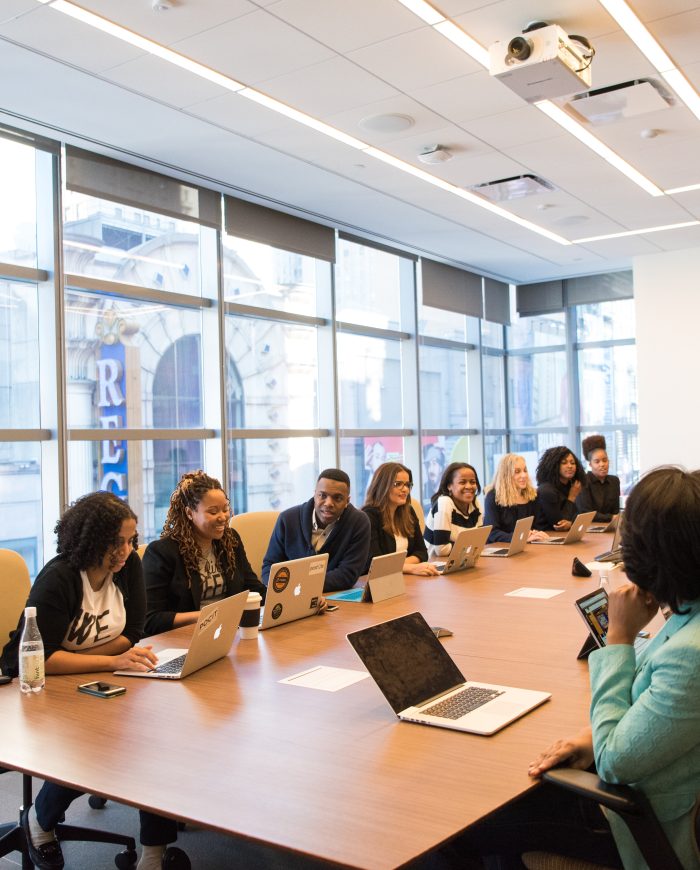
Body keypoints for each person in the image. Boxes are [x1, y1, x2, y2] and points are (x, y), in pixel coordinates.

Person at [442, 466, 700, 869]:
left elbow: (615, 760)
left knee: (459, 829)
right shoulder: (688, 617)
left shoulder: (691, 653)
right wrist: (590, 737)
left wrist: (618, 638)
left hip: (644, 821)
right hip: (648, 784)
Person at [0, 492, 186, 870]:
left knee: (158, 738)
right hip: (37, 687)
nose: (126, 549)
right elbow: (39, 659)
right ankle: (39, 820)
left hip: (97, 673)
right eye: (116, 541)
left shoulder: (128, 566)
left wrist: (104, 661)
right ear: (91, 539)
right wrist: (109, 660)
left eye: (131, 539)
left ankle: (154, 853)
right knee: (92, 745)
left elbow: (132, 632)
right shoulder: (61, 578)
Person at [143, 470, 266, 636]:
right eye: (213, 512)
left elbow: (253, 588)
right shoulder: (162, 553)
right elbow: (151, 620)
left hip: (228, 632)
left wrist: (281, 601)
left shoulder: (230, 540)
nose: (223, 517)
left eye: (225, 509)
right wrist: (207, 616)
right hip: (186, 638)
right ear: (189, 513)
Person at [261, 468, 371, 592]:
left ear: (347, 501)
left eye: (337, 498)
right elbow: (269, 569)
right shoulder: (287, 519)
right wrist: (295, 588)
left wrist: (301, 584)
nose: (328, 503)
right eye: (322, 495)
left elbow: (347, 574)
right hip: (290, 596)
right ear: (314, 495)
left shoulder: (358, 522)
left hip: (333, 597)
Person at [362, 462, 440, 576]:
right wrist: (410, 568)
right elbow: (374, 564)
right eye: (398, 484)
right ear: (382, 485)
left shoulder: (408, 512)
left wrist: (399, 566)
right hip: (377, 583)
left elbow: (422, 552)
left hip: (403, 578)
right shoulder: (368, 517)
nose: (405, 490)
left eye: (407, 484)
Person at [483, 454, 549, 543]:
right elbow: (492, 533)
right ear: (505, 475)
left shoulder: (532, 495)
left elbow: (536, 526)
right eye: (517, 472)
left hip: (526, 547)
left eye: (525, 470)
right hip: (501, 549)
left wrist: (536, 533)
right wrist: (520, 538)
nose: (524, 475)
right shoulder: (493, 497)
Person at [423, 462, 483, 559]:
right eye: (462, 482)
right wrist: (469, 546)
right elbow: (441, 549)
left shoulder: (475, 503)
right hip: (434, 564)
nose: (469, 486)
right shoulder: (444, 503)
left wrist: (468, 547)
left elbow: (479, 541)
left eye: (472, 482)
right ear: (449, 486)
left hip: (461, 560)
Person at [535, 445, 586, 531]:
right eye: (564, 462)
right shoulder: (547, 490)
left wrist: (571, 524)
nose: (570, 466)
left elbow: (577, 516)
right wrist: (572, 498)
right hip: (547, 537)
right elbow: (559, 524)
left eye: (572, 463)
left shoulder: (571, 486)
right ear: (554, 466)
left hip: (563, 536)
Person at [576, 434, 621, 523]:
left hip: (610, 525)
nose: (602, 464)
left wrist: (615, 519)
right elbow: (586, 513)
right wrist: (611, 518)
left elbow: (615, 511)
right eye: (597, 462)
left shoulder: (614, 481)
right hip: (589, 527)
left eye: (605, 460)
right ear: (590, 464)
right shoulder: (583, 481)